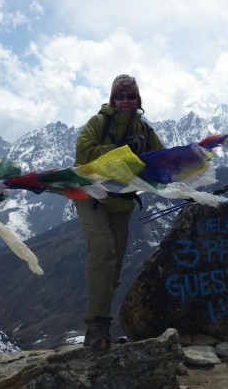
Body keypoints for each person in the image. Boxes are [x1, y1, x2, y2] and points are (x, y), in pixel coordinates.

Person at [74, 74, 164, 351]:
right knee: (103, 250)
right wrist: (123, 149)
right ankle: (96, 325)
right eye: (120, 96)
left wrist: (192, 165)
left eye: (130, 96)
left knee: (114, 265)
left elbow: (162, 159)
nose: (125, 101)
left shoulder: (145, 131)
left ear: (138, 100)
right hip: (91, 196)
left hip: (121, 202)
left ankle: (102, 326)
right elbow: (84, 153)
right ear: (112, 99)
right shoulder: (99, 123)